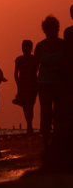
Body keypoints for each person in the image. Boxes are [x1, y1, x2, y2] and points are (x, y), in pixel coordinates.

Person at [34, 16, 67, 148]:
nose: (51, 31)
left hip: (60, 84)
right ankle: (46, 139)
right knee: (46, 112)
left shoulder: (64, 45)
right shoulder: (40, 46)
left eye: (53, 28)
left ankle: (58, 139)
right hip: (44, 84)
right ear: (45, 30)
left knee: (59, 112)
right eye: (48, 28)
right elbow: (34, 67)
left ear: (57, 29)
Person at [13, 40, 38, 134]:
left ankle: (29, 125)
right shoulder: (20, 59)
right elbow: (16, 74)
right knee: (28, 106)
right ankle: (29, 125)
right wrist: (18, 85)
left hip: (31, 85)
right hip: (26, 85)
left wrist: (19, 85)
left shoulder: (33, 59)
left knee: (29, 105)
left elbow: (16, 74)